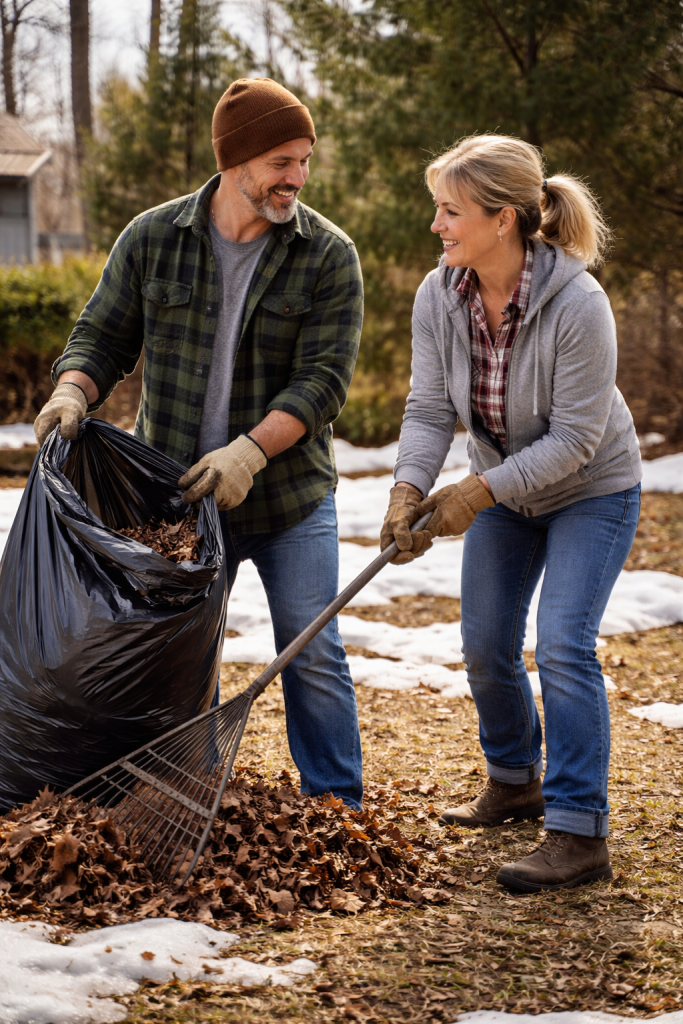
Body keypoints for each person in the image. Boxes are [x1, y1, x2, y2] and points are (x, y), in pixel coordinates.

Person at [34, 78, 365, 810]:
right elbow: (102, 334)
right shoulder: (154, 238)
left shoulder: (326, 255)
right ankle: (188, 798)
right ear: (234, 159)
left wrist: (249, 452)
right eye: (282, 160)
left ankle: (338, 810)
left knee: (312, 656)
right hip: (173, 498)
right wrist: (71, 391)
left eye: (305, 160)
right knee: (179, 660)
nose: (297, 178)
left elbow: (321, 382)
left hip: (285, 500)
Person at [381, 134, 641, 891]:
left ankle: (577, 832)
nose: (436, 225)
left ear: (503, 219)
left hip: (589, 491)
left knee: (561, 645)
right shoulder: (440, 294)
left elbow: (574, 439)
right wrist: (407, 486)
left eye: (450, 210)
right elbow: (429, 407)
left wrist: (472, 494)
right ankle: (514, 779)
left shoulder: (578, 304)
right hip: (498, 488)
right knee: (485, 641)